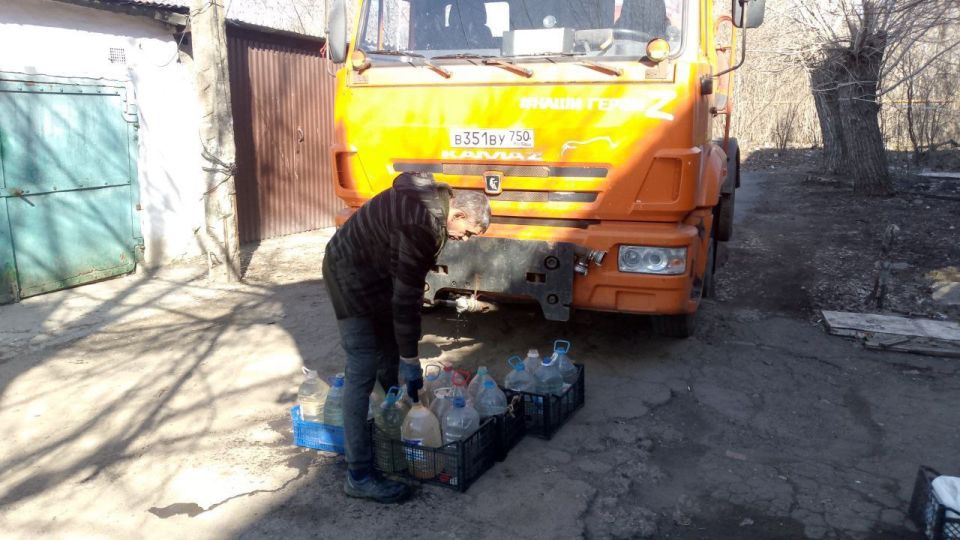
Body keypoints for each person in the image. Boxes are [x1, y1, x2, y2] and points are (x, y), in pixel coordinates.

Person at [322, 172, 491, 503]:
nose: (466, 239)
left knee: (388, 350)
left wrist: (402, 354)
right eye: (467, 232)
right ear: (456, 215)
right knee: (363, 364)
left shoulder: (433, 204)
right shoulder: (420, 225)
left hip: (376, 272)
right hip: (348, 273)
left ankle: (394, 425)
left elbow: (405, 286)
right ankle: (359, 474)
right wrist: (411, 359)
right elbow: (406, 299)